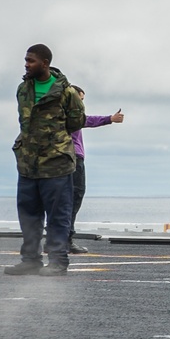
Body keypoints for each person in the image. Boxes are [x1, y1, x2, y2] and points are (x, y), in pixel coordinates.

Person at [5, 44, 85, 277]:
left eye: (31, 61)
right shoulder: (23, 89)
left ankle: (58, 261)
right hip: (28, 163)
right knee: (28, 214)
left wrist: (53, 140)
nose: (26, 64)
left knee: (58, 215)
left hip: (56, 163)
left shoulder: (66, 92)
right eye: (25, 60)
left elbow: (75, 122)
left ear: (45, 63)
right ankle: (30, 260)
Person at [67, 87, 124, 254]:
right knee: (74, 197)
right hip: (73, 158)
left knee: (61, 200)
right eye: (80, 99)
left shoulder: (55, 114)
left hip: (60, 159)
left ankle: (54, 240)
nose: (81, 103)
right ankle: (66, 239)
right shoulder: (69, 114)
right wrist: (110, 119)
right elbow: (87, 120)